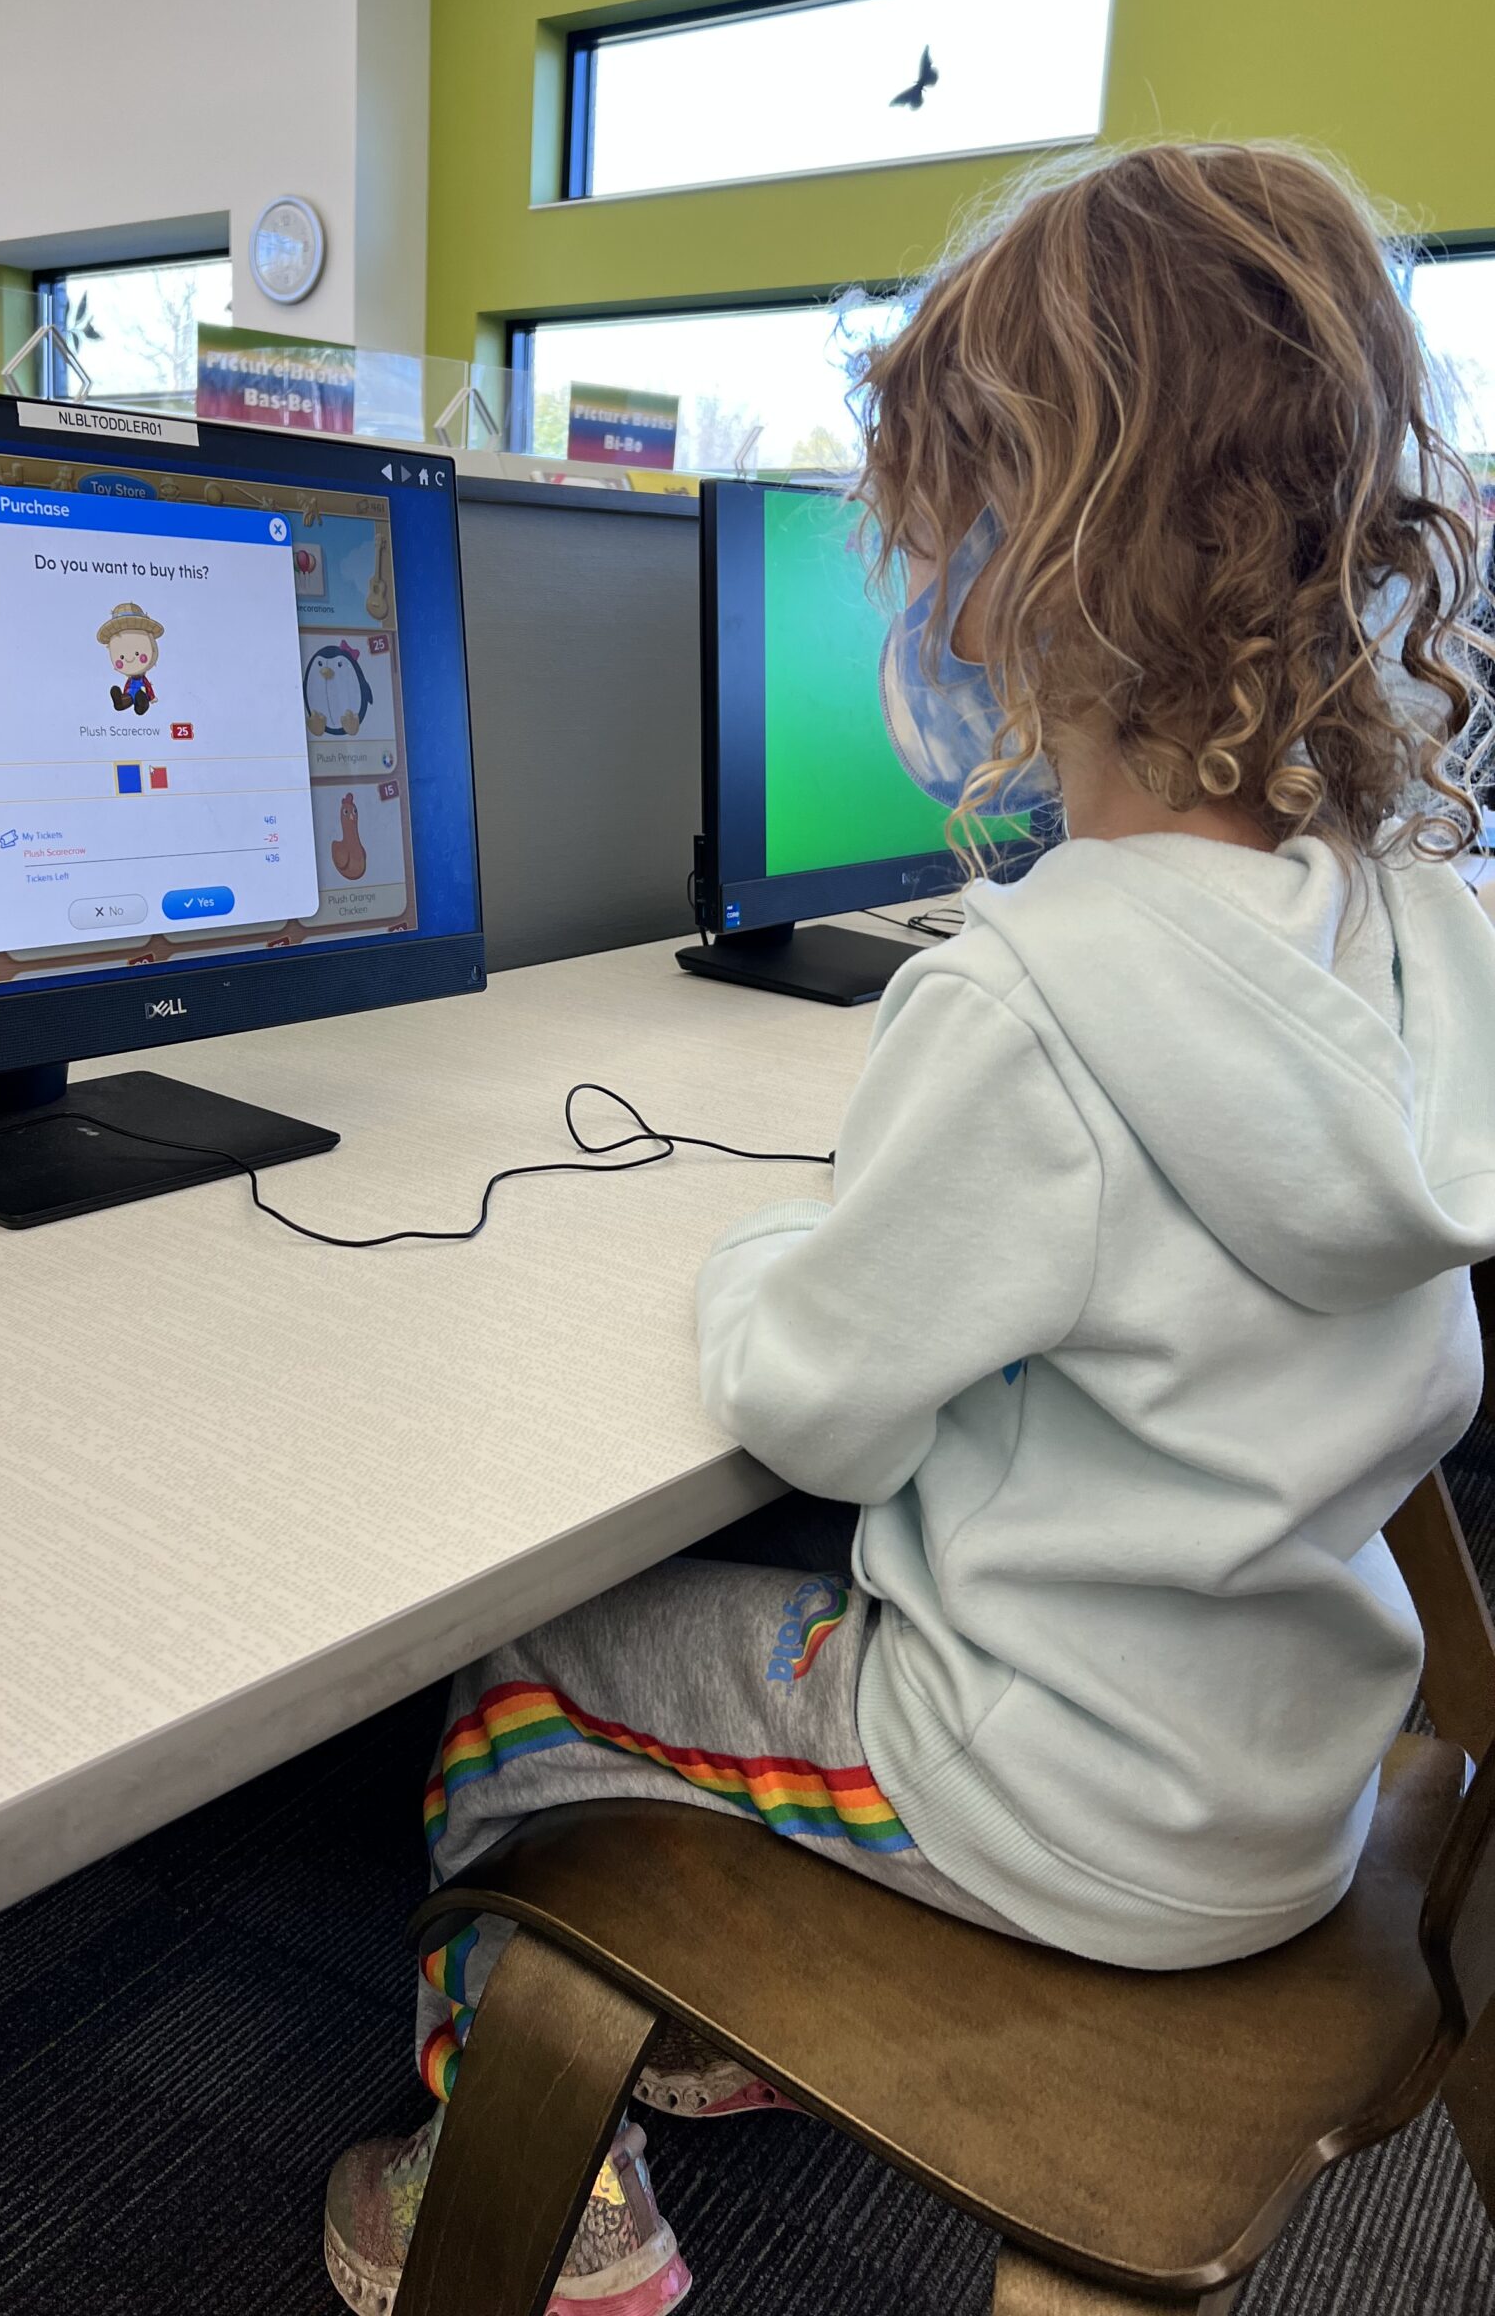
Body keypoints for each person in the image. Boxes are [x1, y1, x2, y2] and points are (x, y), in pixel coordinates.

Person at [323, 142, 1495, 2316]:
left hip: (1057, 1797)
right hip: (1296, 1767)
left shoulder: (1029, 995)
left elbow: (819, 1403)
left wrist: (759, 1258)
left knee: (507, 1686)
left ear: (1019, 575)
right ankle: (729, 2005)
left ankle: (535, 2203)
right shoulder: (1415, 936)